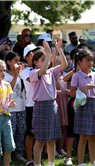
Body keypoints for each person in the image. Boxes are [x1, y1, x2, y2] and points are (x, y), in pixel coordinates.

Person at [29, 37, 68, 166]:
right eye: (42, 59)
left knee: (51, 140)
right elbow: (43, 70)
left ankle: (51, 164)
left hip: (52, 107)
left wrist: (58, 49)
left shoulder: (51, 72)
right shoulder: (34, 73)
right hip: (40, 107)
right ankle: (38, 164)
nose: (46, 61)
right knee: (40, 141)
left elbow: (65, 65)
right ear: (35, 62)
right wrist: (48, 55)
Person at [70, 49, 95, 166]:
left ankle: (93, 162)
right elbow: (71, 93)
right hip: (83, 105)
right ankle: (81, 163)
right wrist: (83, 89)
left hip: (94, 105)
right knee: (83, 137)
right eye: (87, 60)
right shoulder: (76, 75)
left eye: (91, 60)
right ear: (79, 62)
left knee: (93, 137)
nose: (90, 63)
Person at [4, 52, 26, 162]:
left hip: (22, 108)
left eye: (19, 60)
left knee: (21, 131)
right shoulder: (5, 76)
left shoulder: (21, 74)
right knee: (10, 132)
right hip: (11, 109)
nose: (18, 63)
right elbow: (9, 90)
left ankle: (18, 153)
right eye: (15, 61)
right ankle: (8, 154)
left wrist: (20, 74)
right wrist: (16, 75)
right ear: (8, 62)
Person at [22, 44, 40, 166]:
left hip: (42, 105)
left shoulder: (40, 69)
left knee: (39, 134)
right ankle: (29, 159)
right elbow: (33, 79)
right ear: (27, 57)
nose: (35, 54)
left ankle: (37, 158)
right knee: (30, 133)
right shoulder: (25, 71)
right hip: (31, 105)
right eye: (32, 53)